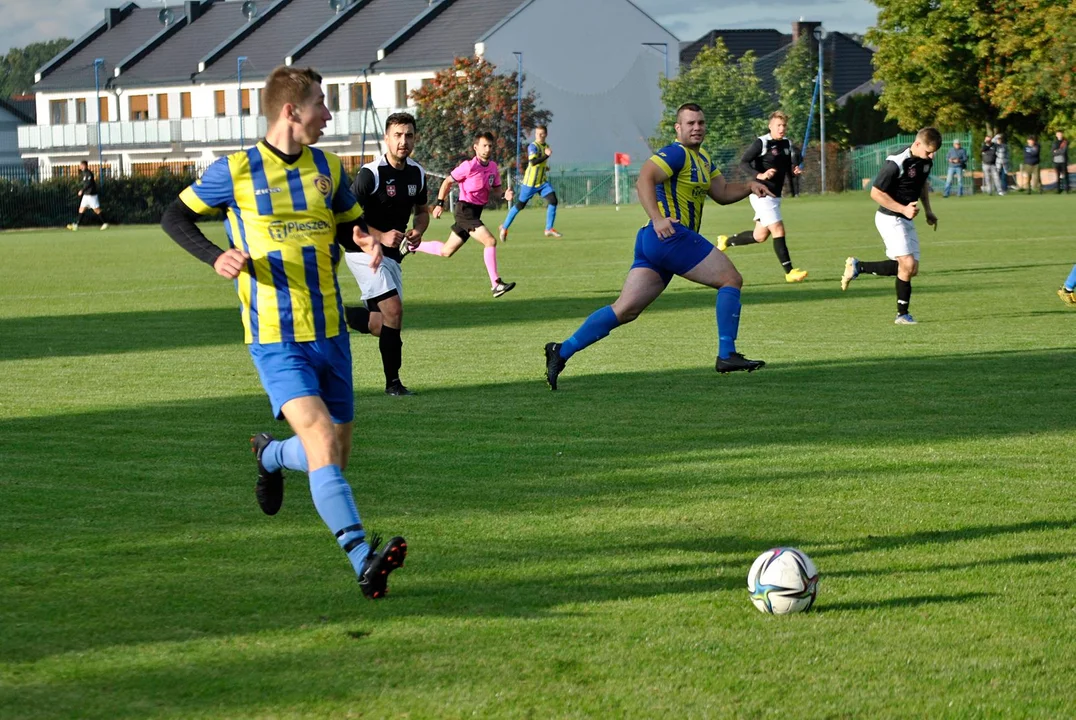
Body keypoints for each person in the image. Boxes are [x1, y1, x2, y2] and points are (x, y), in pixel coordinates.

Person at [159, 66, 406, 600]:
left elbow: (345, 223)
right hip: (275, 335)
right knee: (319, 440)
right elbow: (174, 217)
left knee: (332, 455)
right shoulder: (237, 171)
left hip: (330, 333)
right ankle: (364, 559)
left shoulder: (330, 168)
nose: (329, 114)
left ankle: (270, 455)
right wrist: (215, 256)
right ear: (291, 111)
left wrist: (364, 237)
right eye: (321, 103)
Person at [544, 103, 772, 391]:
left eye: (700, 122)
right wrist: (658, 218)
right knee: (731, 279)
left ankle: (560, 351)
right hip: (670, 235)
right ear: (678, 128)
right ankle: (727, 354)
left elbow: (723, 193)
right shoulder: (676, 153)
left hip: (654, 242)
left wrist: (750, 186)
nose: (696, 127)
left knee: (625, 310)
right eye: (690, 123)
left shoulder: (702, 159)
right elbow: (644, 180)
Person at [342, 112, 429, 396]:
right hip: (361, 250)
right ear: (387, 139)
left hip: (392, 256)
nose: (404, 141)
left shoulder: (417, 172)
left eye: (409, 135)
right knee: (394, 309)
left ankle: (335, 315)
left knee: (385, 323)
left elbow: (422, 212)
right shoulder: (372, 173)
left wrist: (417, 230)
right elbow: (348, 217)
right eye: (398, 135)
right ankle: (394, 385)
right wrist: (380, 236)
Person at [840, 127, 941, 325]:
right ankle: (902, 315)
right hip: (889, 217)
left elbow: (921, 185)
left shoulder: (925, 161)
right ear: (917, 143)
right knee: (908, 264)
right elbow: (875, 193)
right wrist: (903, 209)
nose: (931, 156)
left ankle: (858, 266)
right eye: (928, 151)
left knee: (911, 269)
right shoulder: (896, 162)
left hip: (905, 218)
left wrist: (928, 210)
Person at [407, 131, 516, 298]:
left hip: (475, 213)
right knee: (490, 241)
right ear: (476, 147)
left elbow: (496, 190)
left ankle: (412, 246)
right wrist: (440, 204)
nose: (487, 149)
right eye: (484, 145)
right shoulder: (469, 166)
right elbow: (447, 182)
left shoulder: (493, 167)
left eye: (490, 146)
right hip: (464, 211)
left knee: (446, 251)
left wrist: (504, 195)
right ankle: (496, 284)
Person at [715, 111, 807, 282]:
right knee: (778, 229)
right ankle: (790, 272)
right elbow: (743, 162)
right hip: (761, 193)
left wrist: (794, 171)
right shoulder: (762, 143)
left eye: (784, 125)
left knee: (760, 236)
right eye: (778, 125)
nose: (781, 129)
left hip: (775, 196)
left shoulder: (787, 144)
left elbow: (788, 168)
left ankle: (726, 241)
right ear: (770, 126)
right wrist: (760, 175)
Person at [499, 125, 562, 240]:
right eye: (537, 134)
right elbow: (533, 162)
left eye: (541, 134)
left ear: (546, 135)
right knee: (520, 205)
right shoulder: (533, 146)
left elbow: (541, 163)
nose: (539, 136)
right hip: (530, 183)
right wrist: (546, 155)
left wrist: (545, 167)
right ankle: (504, 227)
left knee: (553, 200)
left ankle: (548, 229)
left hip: (542, 182)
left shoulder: (546, 146)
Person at [67, 160, 109, 230]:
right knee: (81, 209)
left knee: (97, 210)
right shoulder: (84, 174)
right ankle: (76, 225)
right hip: (86, 195)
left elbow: (89, 184)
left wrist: (82, 191)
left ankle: (105, 223)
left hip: (91, 195)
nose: (80, 167)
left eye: (81, 165)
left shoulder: (89, 174)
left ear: (85, 165)